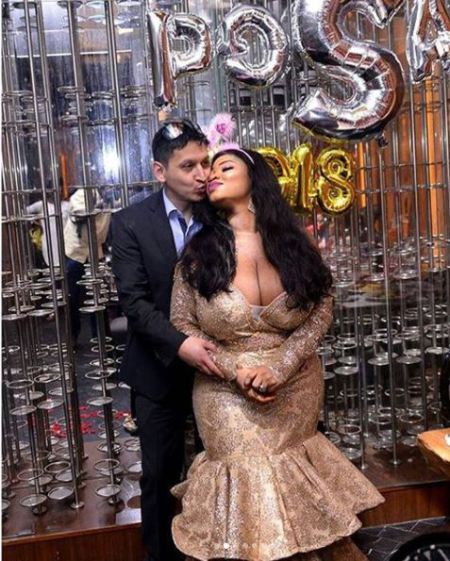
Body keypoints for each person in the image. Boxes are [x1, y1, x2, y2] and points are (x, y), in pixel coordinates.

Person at [170, 147, 384, 561]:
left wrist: (282, 367)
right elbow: (183, 324)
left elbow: (321, 309)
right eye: (209, 170)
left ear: (255, 179)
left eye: (224, 167)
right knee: (249, 478)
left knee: (294, 479)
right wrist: (235, 370)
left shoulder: (293, 245)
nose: (212, 175)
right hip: (224, 390)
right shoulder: (198, 254)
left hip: (295, 383)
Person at [111, 119, 223, 561]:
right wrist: (180, 344)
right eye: (188, 166)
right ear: (160, 171)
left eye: (205, 163)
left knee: (222, 471)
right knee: (159, 475)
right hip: (157, 370)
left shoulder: (221, 215)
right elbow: (134, 303)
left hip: (217, 367)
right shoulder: (130, 223)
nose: (201, 174)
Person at [64, 187, 110, 345]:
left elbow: (101, 236)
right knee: (72, 299)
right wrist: (96, 209)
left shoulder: (105, 203)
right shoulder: (80, 195)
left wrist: (100, 208)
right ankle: (72, 337)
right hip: (75, 254)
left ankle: (101, 339)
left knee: (97, 299)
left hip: (94, 255)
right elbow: (78, 214)